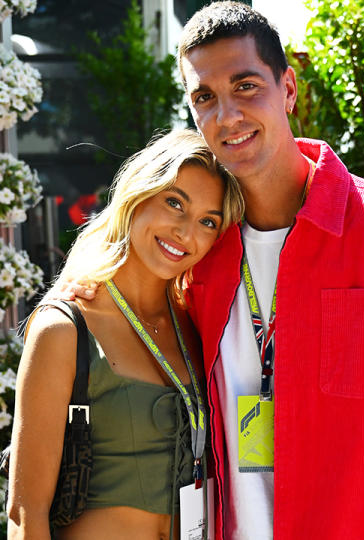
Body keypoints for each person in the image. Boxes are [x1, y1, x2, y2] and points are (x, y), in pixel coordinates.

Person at [170, 3, 364, 539]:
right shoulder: (199, 256)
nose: (227, 116)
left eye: (245, 86)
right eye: (205, 97)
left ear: (288, 89)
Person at [7, 129, 244, 539]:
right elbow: (25, 514)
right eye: (175, 203)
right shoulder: (65, 329)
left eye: (208, 222)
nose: (186, 233)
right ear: (138, 196)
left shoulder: (197, 325)